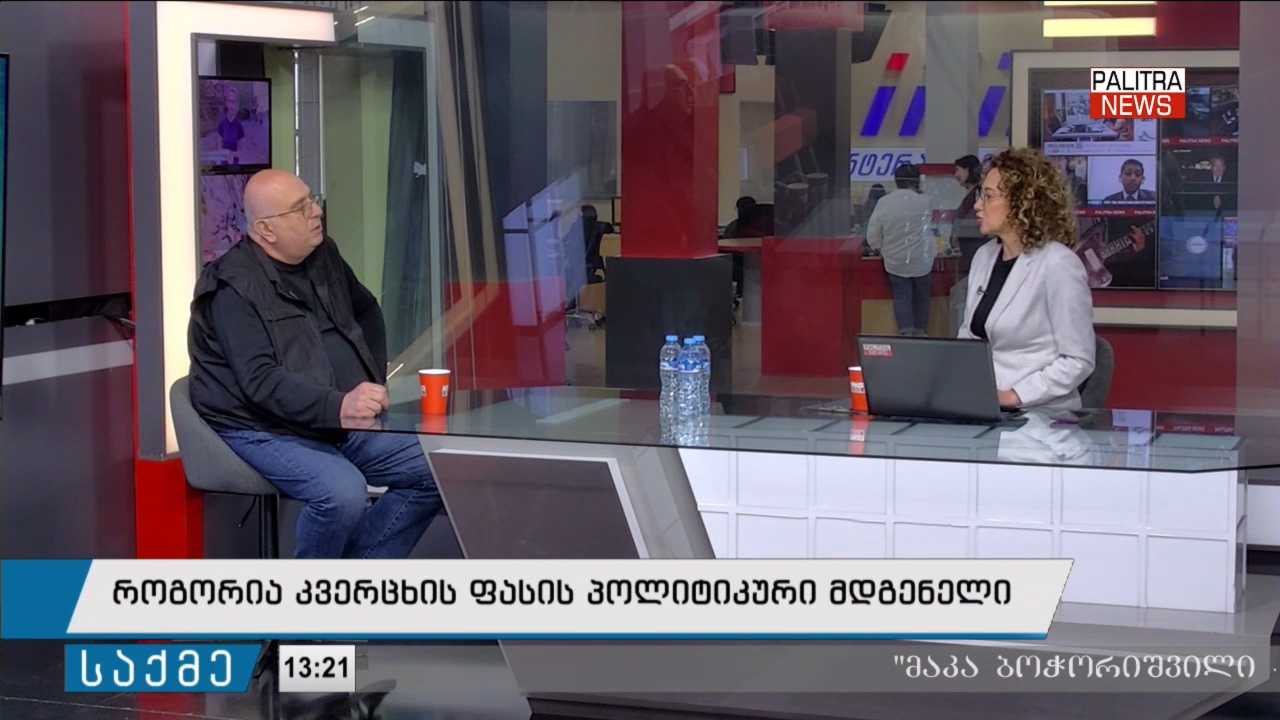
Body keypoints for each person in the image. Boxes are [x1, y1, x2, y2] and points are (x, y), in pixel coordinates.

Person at [188, 169, 443, 559]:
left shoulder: (323, 256)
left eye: (312, 199)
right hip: (262, 425)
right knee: (342, 494)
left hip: (329, 418)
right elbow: (260, 381)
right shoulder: (232, 287)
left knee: (441, 469)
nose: (316, 211)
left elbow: (366, 310)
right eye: (300, 207)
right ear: (266, 230)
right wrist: (338, 405)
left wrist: (369, 382)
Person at [958, 148, 1096, 410]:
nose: (977, 205)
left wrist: (1014, 396)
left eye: (988, 196)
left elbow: (1078, 360)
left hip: (1040, 414)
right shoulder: (984, 256)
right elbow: (969, 336)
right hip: (984, 405)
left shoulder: (1058, 263)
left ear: (1021, 203)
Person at [866, 164, 935, 336]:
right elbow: (930, 229)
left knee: (901, 297)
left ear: (896, 180)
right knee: (922, 297)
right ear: (917, 180)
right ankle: (922, 333)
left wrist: (878, 248)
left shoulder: (884, 202)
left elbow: (873, 233)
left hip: (895, 261)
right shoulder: (926, 201)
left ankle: (906, 335)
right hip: (922, 260)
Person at [954, 155, 982, 220]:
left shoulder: (978, 193)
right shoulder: (973, 193)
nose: (955, 175)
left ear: (967, 170)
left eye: (957, 170)